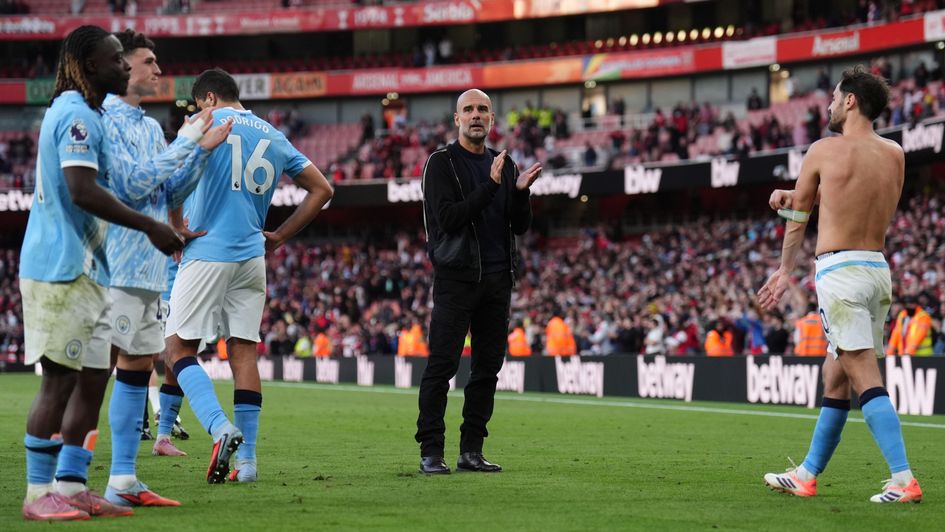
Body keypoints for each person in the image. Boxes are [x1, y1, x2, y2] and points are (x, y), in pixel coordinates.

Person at [19, 25, 184, 521]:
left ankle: (71, 486)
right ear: (91, 66)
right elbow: (82, 190)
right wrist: (150, 226)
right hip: (61, 267)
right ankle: (38, 493)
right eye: (116, 59)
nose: (124, 66)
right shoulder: (74, 114)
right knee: (59, 383)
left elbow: (128, 182)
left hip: (93, 268)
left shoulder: (90, 115)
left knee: (93, 378)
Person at [758, 66, 922, 503]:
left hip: (840, 272)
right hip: (876, 269)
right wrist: (798, 196)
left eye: (834, 98)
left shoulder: (822, 150)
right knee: (835, 377)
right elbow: (858, 196)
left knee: (863, 374)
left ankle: (903, 478)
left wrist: (785, 269)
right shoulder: (895, 154)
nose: (829, 105)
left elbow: (799, 218)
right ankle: (807, 475)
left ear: (850, 101)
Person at [163, 68, 334, 484]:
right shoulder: (273, 134)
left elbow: (173, 181)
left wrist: (176, 227)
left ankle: (219, 427)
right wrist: (280, 236)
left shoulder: (204, 123)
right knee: (242, 352)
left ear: (208, 98)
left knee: (177, 348)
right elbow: (323, 190)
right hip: (252, 256)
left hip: (207, 250)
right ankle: (248, 464)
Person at [100, 29, 233, 507]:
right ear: (121, 67)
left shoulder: (149, 127)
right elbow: (134, 184)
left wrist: (201, 151)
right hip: (113, 264)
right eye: (148, 62)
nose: (158, 70)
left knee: (137, 369)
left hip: (148, 268)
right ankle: (65, 478)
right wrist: (189, 141)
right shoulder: (104, 119)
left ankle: (123, 481)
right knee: (92, 374)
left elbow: (168, 191)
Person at [415, 88, 541, 475]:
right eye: (468, 109)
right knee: (442, 366)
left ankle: (471, 450)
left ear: (491, 119)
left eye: (482, 109)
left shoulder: (505, 164)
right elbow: (449, 219)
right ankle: (431, 451)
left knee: (487, 369)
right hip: (456, 279)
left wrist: (520, 194)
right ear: (457, 119)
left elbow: (520, 225)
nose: (475, 115)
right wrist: (490, 185)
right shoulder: (441, 164)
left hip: (498, 280)